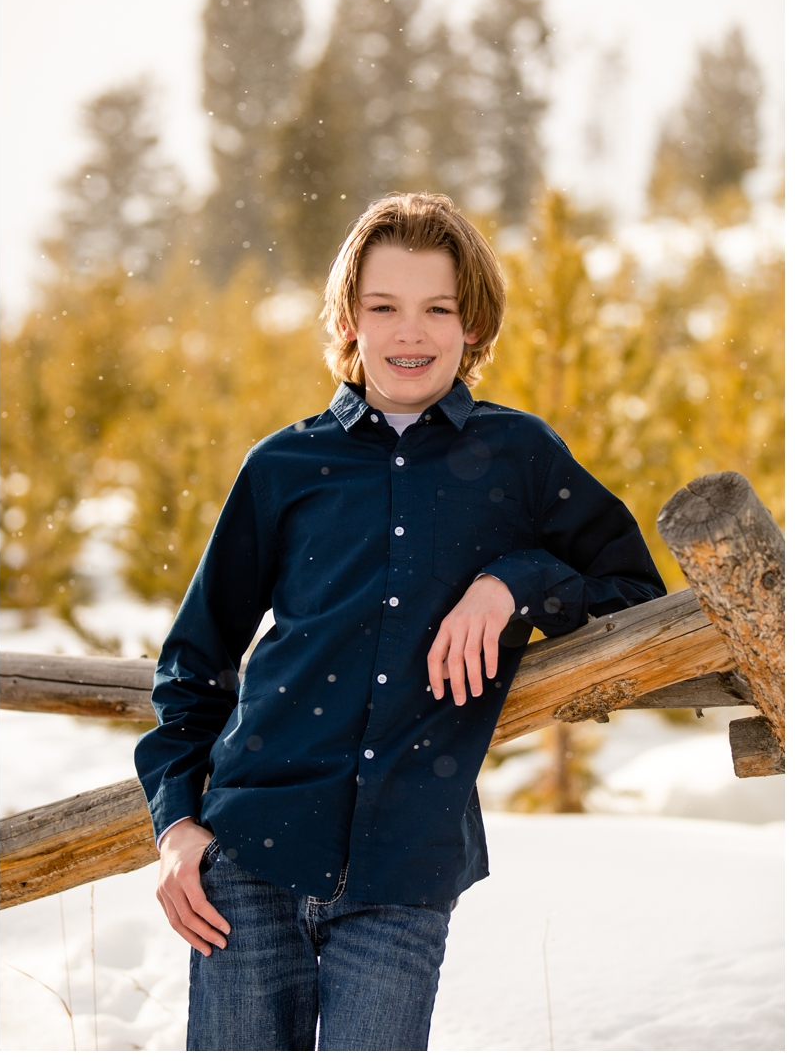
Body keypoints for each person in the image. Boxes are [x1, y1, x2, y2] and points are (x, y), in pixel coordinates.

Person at [134, 192, 665, 1050]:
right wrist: (177, 827)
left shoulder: (522, 458)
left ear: (474, 325)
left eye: (437, 309)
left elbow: (638, 594)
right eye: (383, 307)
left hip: (405, 873)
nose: (408, 333)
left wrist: (513, 582)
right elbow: (194, 662)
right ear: (350, 319)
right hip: (249, 861)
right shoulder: (284, 466)